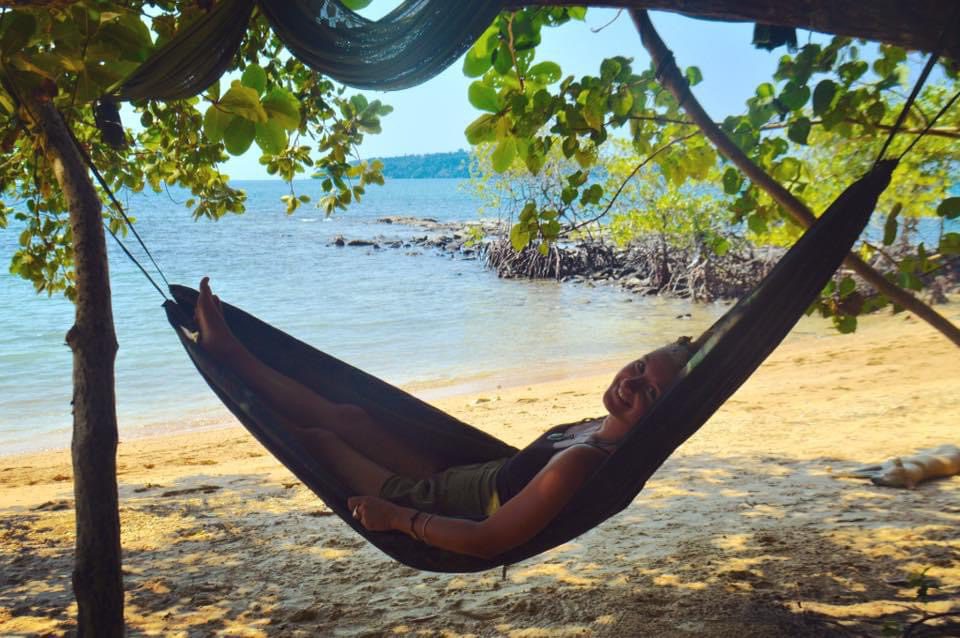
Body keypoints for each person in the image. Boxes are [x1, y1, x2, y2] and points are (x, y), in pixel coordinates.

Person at [195, 277, 698, 559]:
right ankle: (236, 355)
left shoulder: (586, 460)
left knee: (319, 440)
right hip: (457, 474)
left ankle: (235, 368)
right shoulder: (597, 425)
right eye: (636, 367)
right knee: (348, 415)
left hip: (447, 505)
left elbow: (490, 539)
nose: (628, 384)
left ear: (662, 414)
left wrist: (399, 519)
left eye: (648, 389)